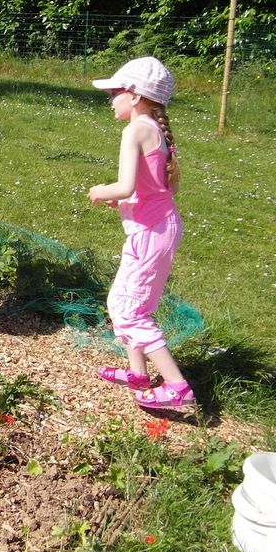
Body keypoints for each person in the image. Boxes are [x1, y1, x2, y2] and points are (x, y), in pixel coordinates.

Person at [87, 57, 195, 409]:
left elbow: (125, 184)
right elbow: (150, 187)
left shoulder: (135, 129)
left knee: (132, 311)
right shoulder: (152, 126)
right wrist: (126, 199)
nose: (111, 99)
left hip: (151, 233)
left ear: (134, 95)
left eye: (116, 92)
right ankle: (139, 373)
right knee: (124, 301)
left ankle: (177, 387)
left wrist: (102, 191)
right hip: (151, 229)